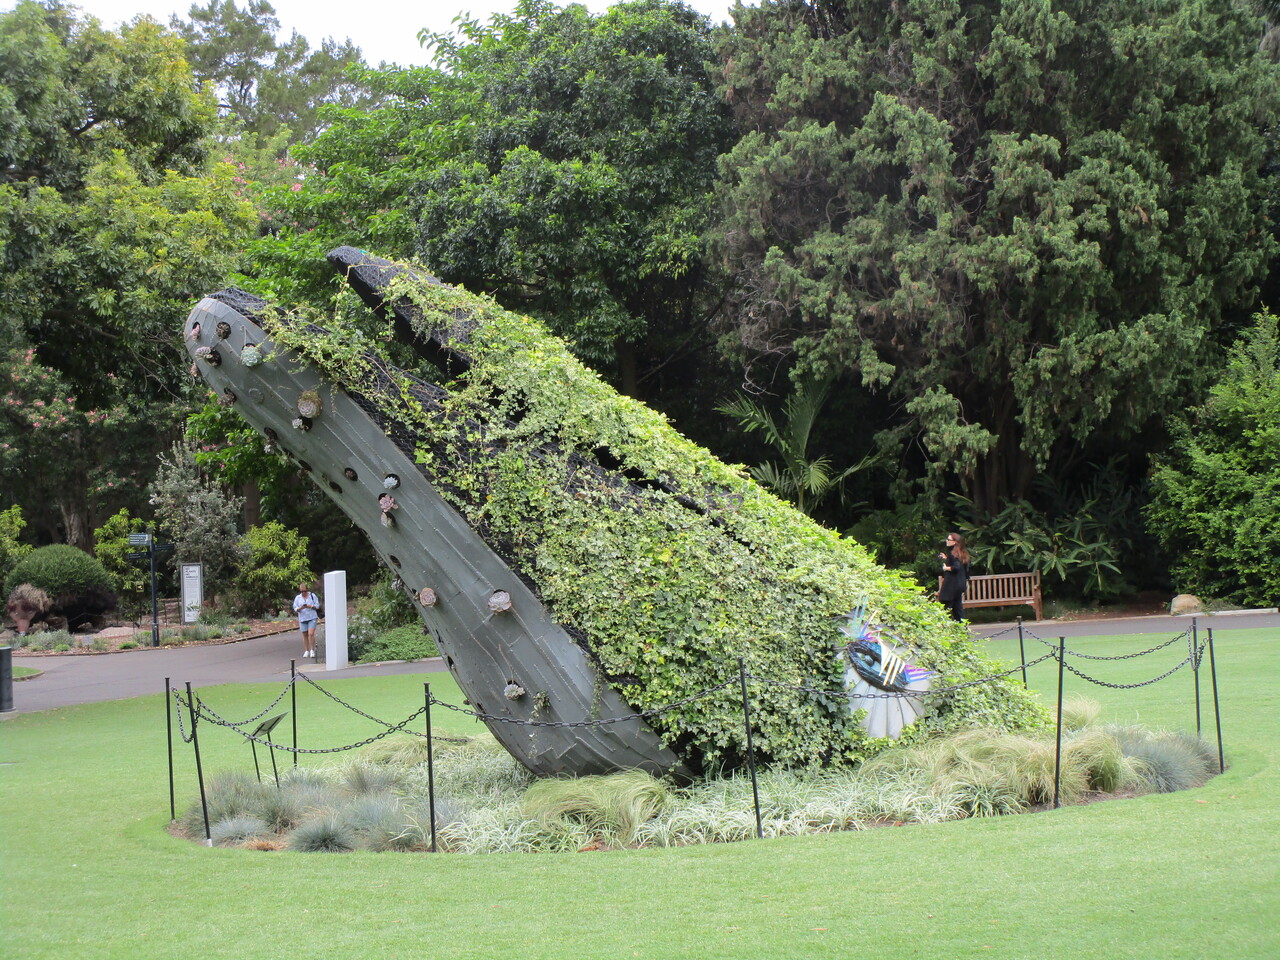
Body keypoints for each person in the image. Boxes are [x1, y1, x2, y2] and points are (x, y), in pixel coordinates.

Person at [936, 533, 971, 620]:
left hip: (952, 585)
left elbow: (956, 567)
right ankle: (962, 629)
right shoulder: (961, 553)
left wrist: (946, 568)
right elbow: (964, 567)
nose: (946, 541)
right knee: (957, 608)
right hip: (960, 584)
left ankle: (944, 628)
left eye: (949, 540)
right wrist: (946, 558)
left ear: (955, 542)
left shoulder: (953, 553)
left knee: (945, 607)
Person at [293, 582, 320, 658]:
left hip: (312, 617)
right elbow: (295, 608)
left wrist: (310, 606)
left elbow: (317, 606)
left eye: (304, 591)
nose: (303, 593)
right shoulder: (298, 598)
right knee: (305, 635)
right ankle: (306, 650)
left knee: (310, 633)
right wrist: (301, 608)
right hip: (302, 618)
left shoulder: (312, 595)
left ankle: (312, 650)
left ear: (307, 590)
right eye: (301, 591)